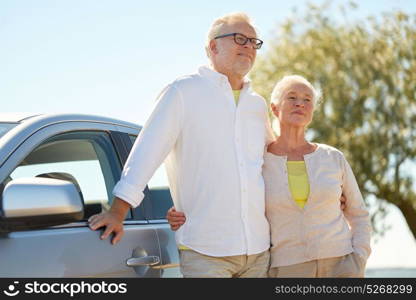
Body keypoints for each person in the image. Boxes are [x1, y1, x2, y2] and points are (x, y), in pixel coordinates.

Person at [88, 12, 274, 278]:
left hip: (258, 251)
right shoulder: (183, 92)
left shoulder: (257, 105)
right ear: (213, 46)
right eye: (239, 38)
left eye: (254, 42)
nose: (248, 46)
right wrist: (118, 211)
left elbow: (274, 162)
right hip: (205, 251)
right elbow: (148, 150)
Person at [168, 75, 371, 278]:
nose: (300, 103)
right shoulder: (258, 160)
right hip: (287, 269)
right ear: (274, 109)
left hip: (342, 265)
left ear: (312, 111)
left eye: (307, 99)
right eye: (292, 97)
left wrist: (358, 259)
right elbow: (228, 191)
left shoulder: (333, 158)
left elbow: (359, 214)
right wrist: (186, 208)